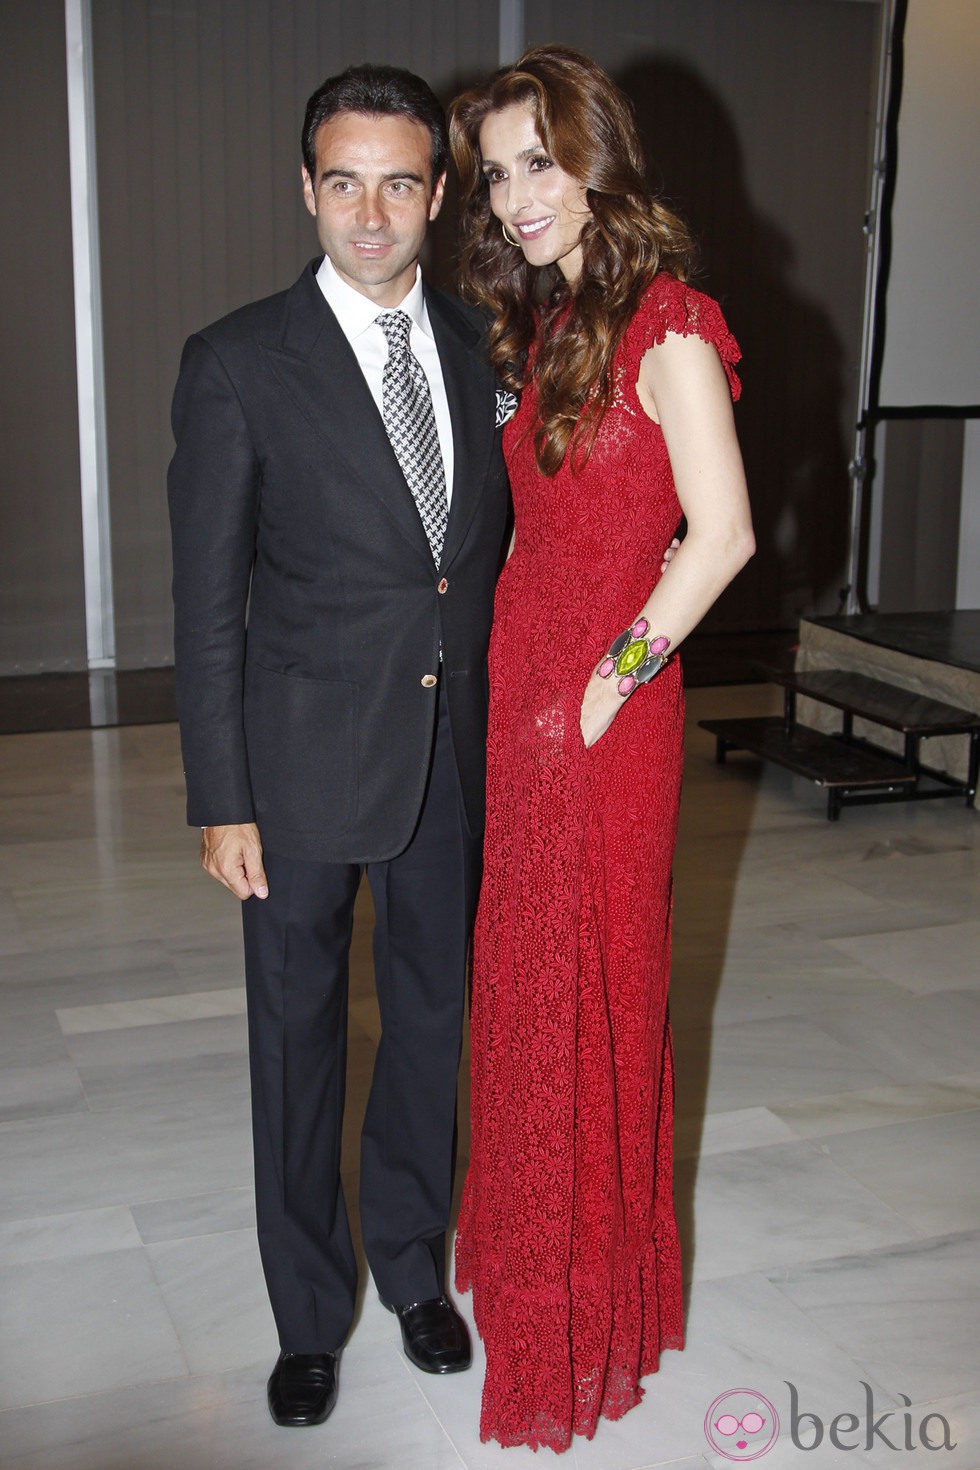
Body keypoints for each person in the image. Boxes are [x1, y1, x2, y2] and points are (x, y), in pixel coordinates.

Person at [167, 65, 511, 1429]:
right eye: (343, 182)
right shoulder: (238, 362)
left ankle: (416, 1267)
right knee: (299, 1039)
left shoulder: (485, 342)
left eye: (399, 183)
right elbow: (207, 603)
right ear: (307, 190)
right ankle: (311, 1311)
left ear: (437, 194)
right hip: (300, 769)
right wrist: (221, 794)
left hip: (450, 754)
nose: (371, 214)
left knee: (431, 1021)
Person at [448, 46, 755, 1452]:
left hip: (602, 712)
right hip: (528, 696)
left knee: (596, 988)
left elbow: (725, 532)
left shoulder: (669, 321)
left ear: (598, 157)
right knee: (528, 975)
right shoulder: (555, 318)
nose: (517, 194)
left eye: (539, 160)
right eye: (500, 169)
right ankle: (529, 1268)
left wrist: (607, 687)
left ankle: (591, 1305)